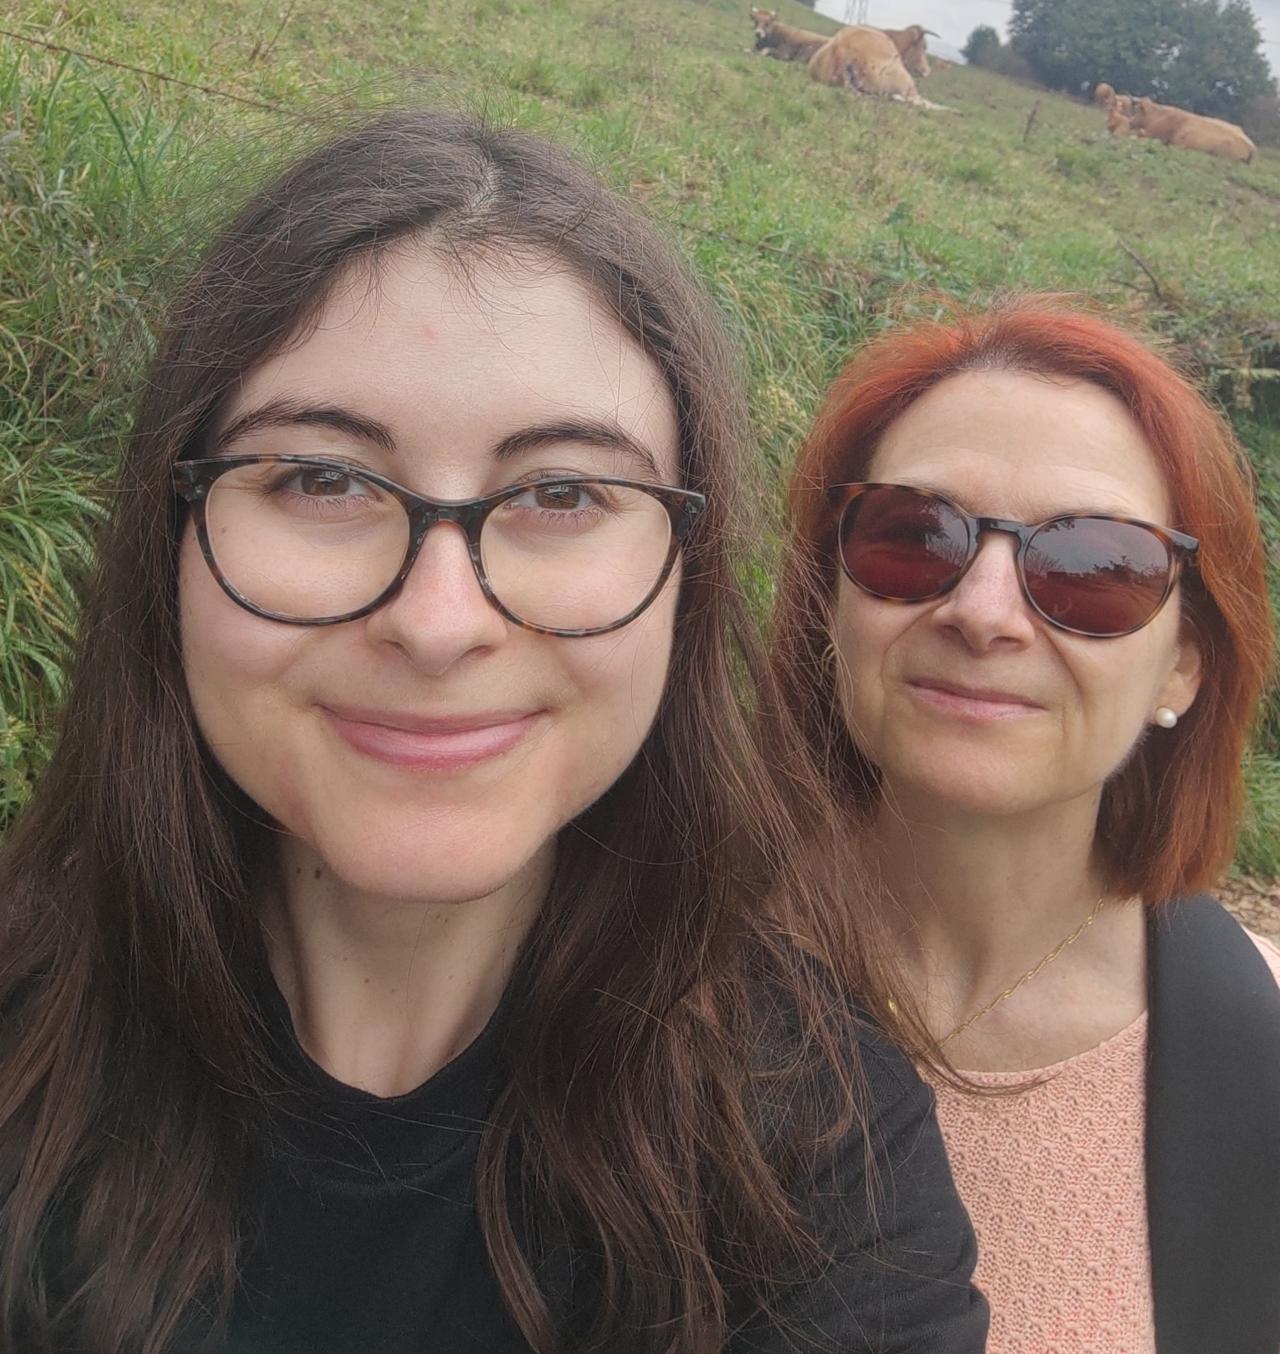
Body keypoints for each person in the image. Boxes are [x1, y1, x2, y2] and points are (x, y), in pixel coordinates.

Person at [0, 111, 989, 1354]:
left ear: (685, 573)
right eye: (322, 476)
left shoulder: (821, 1158)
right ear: (173, 529)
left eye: (564, 493)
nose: (437, 620)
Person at [772, 295, 1280, 1354]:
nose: (983, 611)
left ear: (1181, 662)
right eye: (913, 536)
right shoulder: (628, 946)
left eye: (1093, 567)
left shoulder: (1249, 1064)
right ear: (829, 598)